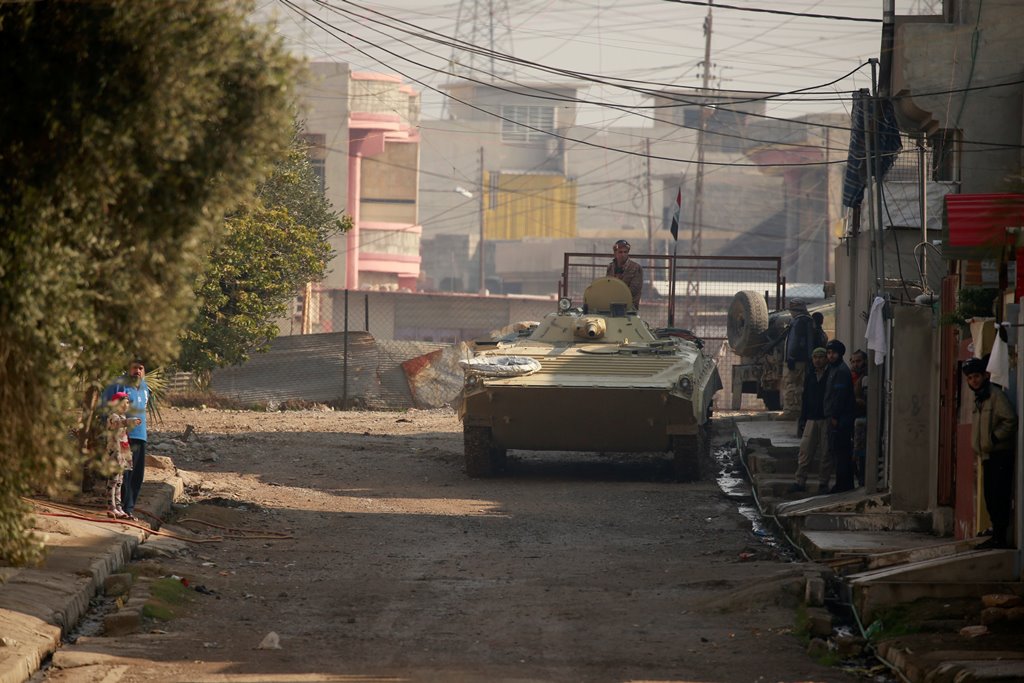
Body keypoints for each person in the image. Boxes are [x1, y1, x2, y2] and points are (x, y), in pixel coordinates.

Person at [963, 356, 1018, 549]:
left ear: (985, 375)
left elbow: (1010, 420)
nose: (973, 381)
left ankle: (1000, 538)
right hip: (987, 456)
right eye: (970, 378)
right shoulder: (980, 398)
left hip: (1000, 455)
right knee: (990, 498)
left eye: (976, 376)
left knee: (998, 497)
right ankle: (996, 533)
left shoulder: (994, 395)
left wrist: (994, 438)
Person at [102, 359, 151, 520]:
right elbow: (106, 410)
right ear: (128, 368)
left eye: (140, 368)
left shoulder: (145, 388)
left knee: (136, 475)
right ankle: (118, 507)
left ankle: (129, 509)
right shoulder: (118, 384)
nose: (137, 371)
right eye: (134, 367)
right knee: (122, 476)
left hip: (140, 435)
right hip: (122, 438)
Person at [789, 347, 830, 494]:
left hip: (825, 419)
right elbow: (805, 398)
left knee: (826, 453)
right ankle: (800, 482)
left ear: (826, 359)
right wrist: (803, 419)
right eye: (815, 358)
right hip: (811, 419)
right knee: (805, 452)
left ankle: (823, 483)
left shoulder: (830, 375)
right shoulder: (810, 375)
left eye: (821, 357)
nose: (818, 360)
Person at [823, 339, 856, 493]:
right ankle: (842, 483)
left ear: (840, 354)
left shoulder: (841, 371)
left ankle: (844, 484)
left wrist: (835, 416)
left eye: (833, 353)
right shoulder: (832, 369)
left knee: (842, 452)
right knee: (837, 451)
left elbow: (840, 396)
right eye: (828, 353)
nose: (831, 356)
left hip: (841, 419)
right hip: (834, 417)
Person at [104, 392, 141, 519]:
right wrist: (130, 421)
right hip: (115, 452)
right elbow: (119, 423)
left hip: (123, 452)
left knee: (119, 480)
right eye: (125, 402)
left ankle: (118, 506)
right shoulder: (113, 417)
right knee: (113, 480)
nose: (127, 405)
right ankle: (111, 506)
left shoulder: (121, 416)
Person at [779, 299, 816, 419]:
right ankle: (796, 410)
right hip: (802, 360)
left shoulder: (799, 322)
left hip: (796, 360)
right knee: (798, 385)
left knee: (792, 385)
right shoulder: (807, 321)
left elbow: (795, 342)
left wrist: (791, 357)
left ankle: (791, 412)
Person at [606, 239, 643, 309]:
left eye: (625, 252)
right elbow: (607, 285)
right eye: (620, 252)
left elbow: (633, 290)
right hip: (611, 305)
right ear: (615, 253)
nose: (623, 254)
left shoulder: (635, 268)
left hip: (629, 307)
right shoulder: (611, 267)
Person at [850, 349, 868, 487]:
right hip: (852, 419)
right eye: (853, 361)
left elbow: (867, 402)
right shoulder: (851, 376)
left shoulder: (865, 378)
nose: (856, 364)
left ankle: (862, 478)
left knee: (860, 452)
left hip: (862, 420)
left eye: (859, 361)